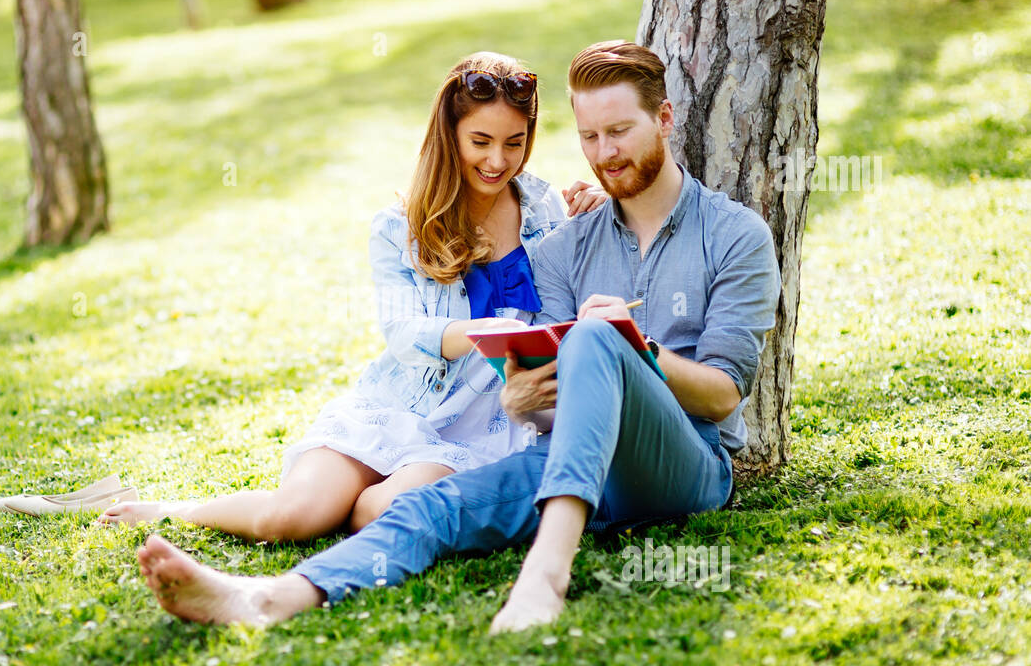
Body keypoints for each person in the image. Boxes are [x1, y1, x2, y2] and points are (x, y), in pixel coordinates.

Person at [133, 40, 782, 633]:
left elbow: (724, 396)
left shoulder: (734, 235)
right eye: (590, 136)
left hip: (686, 463)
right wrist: (525, 396)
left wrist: (630, 347)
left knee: (594, 337)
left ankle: (544, 578)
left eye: (620, 130)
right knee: (426, 510)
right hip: (572, 458)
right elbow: (539, 401)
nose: (605, 152)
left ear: (665, 119)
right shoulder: (561, 249)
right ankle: (266, 599)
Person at [0, 52, 606, 541]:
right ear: (449, 134)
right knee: (292, 520)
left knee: (379, 514)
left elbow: (579, 298)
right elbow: (402, 333)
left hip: (480, 429)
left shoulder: (547, 209)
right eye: (481, 141)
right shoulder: (400, 225)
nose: (498, 160)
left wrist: (600, 213)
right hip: (401, 408)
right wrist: (486, 335)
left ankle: (345, 501)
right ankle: (160, 509)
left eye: (515, 142)